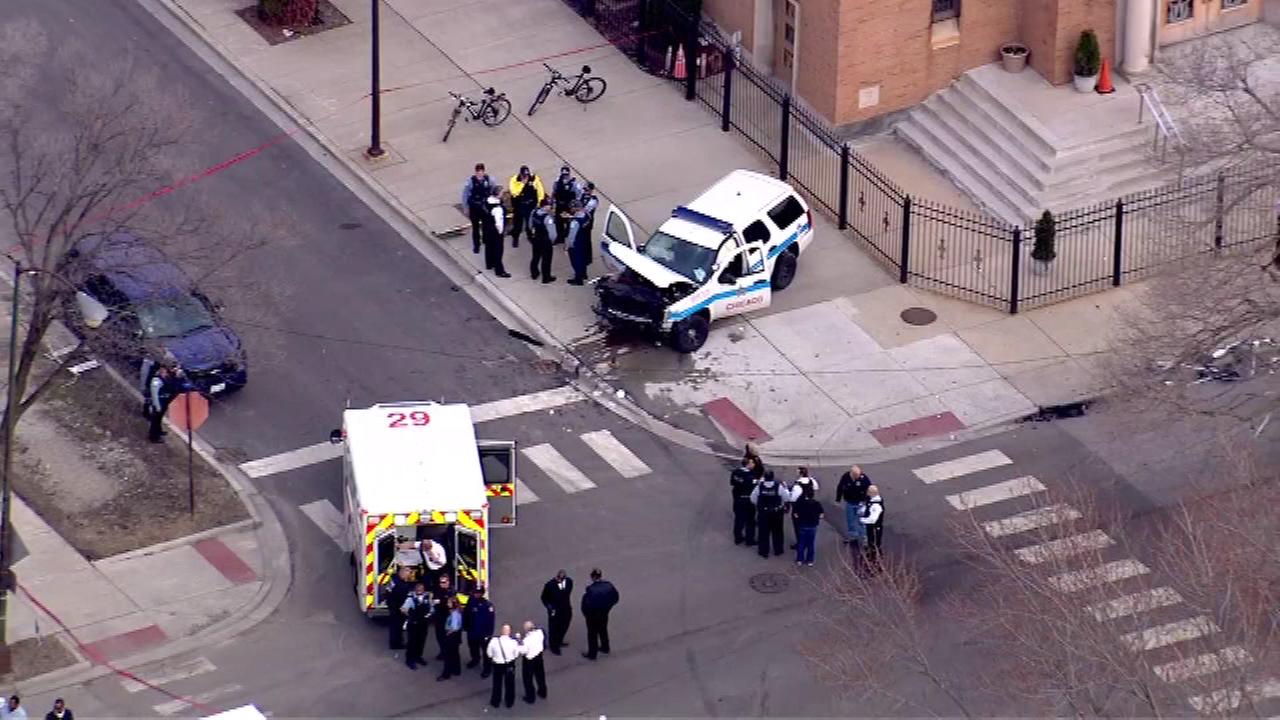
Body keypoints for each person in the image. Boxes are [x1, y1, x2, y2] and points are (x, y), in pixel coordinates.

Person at [580, 568, 619, 660]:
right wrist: (608, 608)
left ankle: (592, 654)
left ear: (593, 577)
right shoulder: (609, 586)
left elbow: (586, 605)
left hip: (593, 615)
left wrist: (587, 615)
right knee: (603, 630)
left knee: (592, 634)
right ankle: (605, 647)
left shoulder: (591, 589)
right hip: (604, 613)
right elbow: (616, 598)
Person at [462, 163, 496, 254]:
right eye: (478, 172)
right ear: (476, 172)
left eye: (481, 172)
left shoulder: (489, 180)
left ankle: (485, 240)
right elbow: (465, 195)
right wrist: (466, 208)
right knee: (476, 228)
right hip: (474, 208)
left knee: (486, 226)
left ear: (484, 171)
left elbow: (493, 190)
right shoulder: (470, 181)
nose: (480, 174)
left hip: (485, 208)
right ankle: (476, 245)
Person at [751, 470, 786, 558]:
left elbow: (752, 498)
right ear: (773, 477)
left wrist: (760, 505)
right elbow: (786, 497)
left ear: (765, 478)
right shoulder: (779, 487)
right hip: (776, 513)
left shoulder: (759, 487)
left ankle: (763, 551)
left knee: (763, 533)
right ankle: (778, 550)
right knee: (777, 532)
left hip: (763, 514)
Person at [507, 165, 545, 248]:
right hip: (519, 206)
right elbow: (514, 192)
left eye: (527, 176)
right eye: (524, 176)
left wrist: (539, 203)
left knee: (530, 224)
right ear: (520, 174)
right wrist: (522, 184)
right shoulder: (514, 180)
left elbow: (540, 190)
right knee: (518, 225)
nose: (526, 178)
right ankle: (515, 238)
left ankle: (530, 237)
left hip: (530, 206)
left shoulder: (534, 179)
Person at [464, 584, 496, 677]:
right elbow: (466, 614)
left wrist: (488, 634)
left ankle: (487, 668)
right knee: (473, 648)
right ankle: (475, 660)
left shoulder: (488, 606)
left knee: (486, 652)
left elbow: (491, 622)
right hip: (472, 631)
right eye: (475, 592)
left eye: (478, 593)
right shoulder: (471, 601)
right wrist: (465, 627)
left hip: (483, 634)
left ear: (482, 593)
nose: (476, 594)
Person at [836, 465, 871, 548]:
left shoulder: (864, 478)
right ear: (851, 474)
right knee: (850, 520)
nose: (857, 478)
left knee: (862, 521)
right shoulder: (845, 477)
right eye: (855, 476)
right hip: (849, 502)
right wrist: (838, 499)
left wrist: (868, 502)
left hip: (861, 503)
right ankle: (853, 536)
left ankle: (864, 537)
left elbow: (869, 489)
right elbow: (840, 487)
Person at [487, 624, 521, 709]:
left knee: (497, 683)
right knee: (510, 684)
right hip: (509, 664)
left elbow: (489, 654)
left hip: (497, 664)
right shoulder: (513, 642)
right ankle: (509, 702)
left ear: (501, 631)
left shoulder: (494, 641)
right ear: (509, 632)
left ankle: (495, 701)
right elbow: (516, 655)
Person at [539, 569, 573, 654]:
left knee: (564, 626)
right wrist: (550, 607)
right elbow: (544, 598)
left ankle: (559, 640)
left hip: (566, 609)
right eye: (558, 578)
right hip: (555, 611)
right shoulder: (549, 585)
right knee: (554, 629)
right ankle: (554, 646)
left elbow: (567, 594)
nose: (559, 580)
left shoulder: (569, 582)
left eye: (561, 579)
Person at [786, 466, 819, 549]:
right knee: (809, 525)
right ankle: (808, 543)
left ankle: (800, 543)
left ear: (800, 473)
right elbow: (816, 488)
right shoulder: (812, 481)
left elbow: (793, 498)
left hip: (799, 508)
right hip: (810, 506)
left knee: (798, 526)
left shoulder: (797, 485)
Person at [402, 582, 432, 669]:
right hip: (413, 624)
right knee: (412, 643)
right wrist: (409, 614)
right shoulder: (410, 599)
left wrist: (429, 614)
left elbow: (431, 608)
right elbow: (403, 609)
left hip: (423, 624)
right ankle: (409, 660)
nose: (419, 590)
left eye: (421, 589)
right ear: (415, 590)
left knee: (421, 642)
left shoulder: (427, 598)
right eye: (418, 589)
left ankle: (418, 657)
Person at [526, 196, 556, 284]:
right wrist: (552, 241)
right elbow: (552, 233)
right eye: (550, 205)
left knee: (535, 256)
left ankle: (534, 273)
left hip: (536, 238)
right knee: (546, 259)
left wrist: (532, 234)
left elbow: (530, 224)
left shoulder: (534, 212)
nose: (551, 207)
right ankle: (546, 277)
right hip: (545, 241)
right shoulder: (548, 218)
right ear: (545, 206)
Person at [518, 620, 548, 704]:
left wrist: (519, 641)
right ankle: (543, 692)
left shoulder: (526, 640)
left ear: (526, 629)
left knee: (528, 679)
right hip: (539, 657)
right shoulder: (540, 632)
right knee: (540, 676)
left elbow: (522, 651)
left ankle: (530, 697)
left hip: (529, 661)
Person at [482, 188, 510, 277]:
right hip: (495, 232)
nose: (503, 194)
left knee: (489, 247)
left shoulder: (486, 201)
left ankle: (489, 264)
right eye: (501, 193)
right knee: (498, 251)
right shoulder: (497, 208)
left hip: (487, 229)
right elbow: (499, 223)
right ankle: (499, 271)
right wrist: (501, 232)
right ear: (498, 195)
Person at [729, 457, 758, 546]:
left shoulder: (735, 472)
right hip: (747, 500)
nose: (754, 465)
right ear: (748, 464)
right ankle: (750, 540)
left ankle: (738, 538)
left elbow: (732, 483)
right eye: (752, 463)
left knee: (738, 519)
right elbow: (754, 486)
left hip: (737, 498)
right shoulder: (750, 476)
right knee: (750, 520)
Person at [146, 364, 178, 443]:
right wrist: (157, 406)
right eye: (163, 371)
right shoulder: (156, 380)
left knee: (159, 419)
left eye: (165, 371)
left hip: (164, 402)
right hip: (159, 403)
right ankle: (153, 437)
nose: (164, 372)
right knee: (155, 420)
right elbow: (154, 395)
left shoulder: (166, 377)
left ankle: (159, 431)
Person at [564, 200, 593, 285]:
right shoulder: (587, 215)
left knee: (576, 261)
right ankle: (583, 274)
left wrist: (567, 246)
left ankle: (578, 279)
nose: (571, 209)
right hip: (585, 240)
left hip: (577, 243)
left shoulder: (575, 222)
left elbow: (571, 236)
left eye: (572, 208)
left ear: (576, 208)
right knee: (583, 259)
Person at [551, 165, 582, 244]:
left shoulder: (574, 184)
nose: (565, 176)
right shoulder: (558, 181)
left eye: (566, 174)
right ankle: (559, 237)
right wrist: (552, 203)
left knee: (568, 222)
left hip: (568, 206)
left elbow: (578, 195)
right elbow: (554, 192)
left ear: (569, 174)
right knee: (558, 222)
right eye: (563, 174)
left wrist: (575, 207)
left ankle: (567, 236)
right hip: (559, 205)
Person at [385, 565, 413, 650]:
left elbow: (388, 591)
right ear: (402, 571)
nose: (409, 573)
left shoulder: (394, 579)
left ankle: (397, 642)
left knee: (396, 626)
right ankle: (395, 644)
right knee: (396, 626)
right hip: (397, 608)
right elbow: (401, 596)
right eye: (408, 571)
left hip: (394, 606)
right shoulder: (399, 584)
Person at [792, 493, 824, 567]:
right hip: (812, 526)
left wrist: (798, 519)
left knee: (801, 543)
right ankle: (810, 561)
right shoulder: (816, 504)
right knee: (811, 544)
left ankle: (800, 560)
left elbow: (795, 514)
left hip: (802, 525)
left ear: (806, 496)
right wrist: (817, 519)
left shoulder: (801, 504)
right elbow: (821, 515)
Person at [437, 597, 465, 681]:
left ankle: (446, 674)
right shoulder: (457, 612)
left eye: (449, 603)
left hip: (451, 637)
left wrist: (446, 634)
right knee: (455, 653)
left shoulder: (454, 614)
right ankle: (456, 670)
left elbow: (454, 627)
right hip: (456, 637)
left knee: (447, 655)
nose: (447, 604)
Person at [860, 484, 885, 572]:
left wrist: (863, 520)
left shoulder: (876, 506)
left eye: (868, 491)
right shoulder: (872, 501)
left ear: (871, 493)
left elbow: (873, 519)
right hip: (872, 527)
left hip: (874, 528)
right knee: (871, 542)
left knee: (874, 544)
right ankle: (872, 558)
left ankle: (875, 562)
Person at [431, 573, 454, 660]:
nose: (442, 584)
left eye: (444, 582)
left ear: (448, 582)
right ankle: (442, 651)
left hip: (448, 618)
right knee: (439, 636)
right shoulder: (437, 590)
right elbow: (435, 602)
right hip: (439, 617)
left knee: (447, 638)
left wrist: (442, 602)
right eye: (440, 582)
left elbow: (451, 604)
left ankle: (447, 653)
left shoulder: (451, 591)